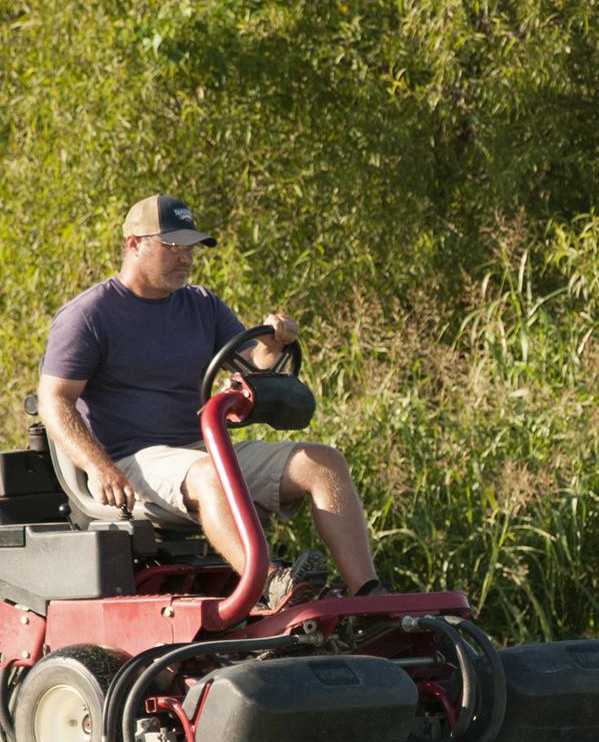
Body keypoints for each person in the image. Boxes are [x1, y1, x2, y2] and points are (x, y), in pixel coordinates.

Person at [38, 194, 382, 605]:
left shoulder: (202, 305)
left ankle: (369, 597)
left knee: (323, 463)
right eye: (173, 247)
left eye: (190, 248)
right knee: (211, 474)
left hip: (201, 450)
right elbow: (54, 401)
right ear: (133, 243)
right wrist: (99, 468)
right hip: (134, 461)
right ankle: (272, 584)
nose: (185, 258)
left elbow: (255, 365)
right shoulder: (90, 315)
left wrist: (274, 343)